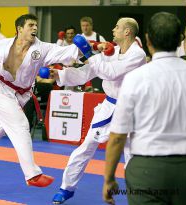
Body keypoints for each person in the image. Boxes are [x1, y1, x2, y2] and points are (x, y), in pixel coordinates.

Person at [0, 14, 80, 195]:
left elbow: (67, 53)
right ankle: (32, 174)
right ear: (20, 29)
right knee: (20, 124)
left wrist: (88, 48)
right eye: (30, 25)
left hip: (20, 96)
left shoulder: (42, 48)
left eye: (36, 25)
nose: (35, 28)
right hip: (1, 91)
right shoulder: (4, 45)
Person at [51, 17, 146, 204]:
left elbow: (110, 72)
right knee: (85, 148)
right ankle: (66, 188)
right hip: (108, 106)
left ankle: (140, 197)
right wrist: (61, 75)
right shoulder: (113, 51)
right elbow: (88, 72)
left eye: (117, 27)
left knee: (132, 156)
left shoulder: (138, 55)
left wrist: (88, 52)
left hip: (130, 110)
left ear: (127, 32)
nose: (113, 29)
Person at [102, 12, 186, 205]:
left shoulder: (136, 78)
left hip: (147, 168)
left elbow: (118, 136)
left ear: (147, 40)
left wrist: (109, 179)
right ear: (180, 40)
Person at [80, 16, 106, 92]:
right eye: (83, 26)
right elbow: (76, 54)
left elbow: (106, 53)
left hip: (96, 69)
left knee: (96, 91)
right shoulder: (79, 38)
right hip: (82, 67)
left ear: (91, 26)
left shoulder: (99, 37)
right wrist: (85, 60)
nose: (85, 28)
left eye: (87, 25)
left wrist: (94, 61)